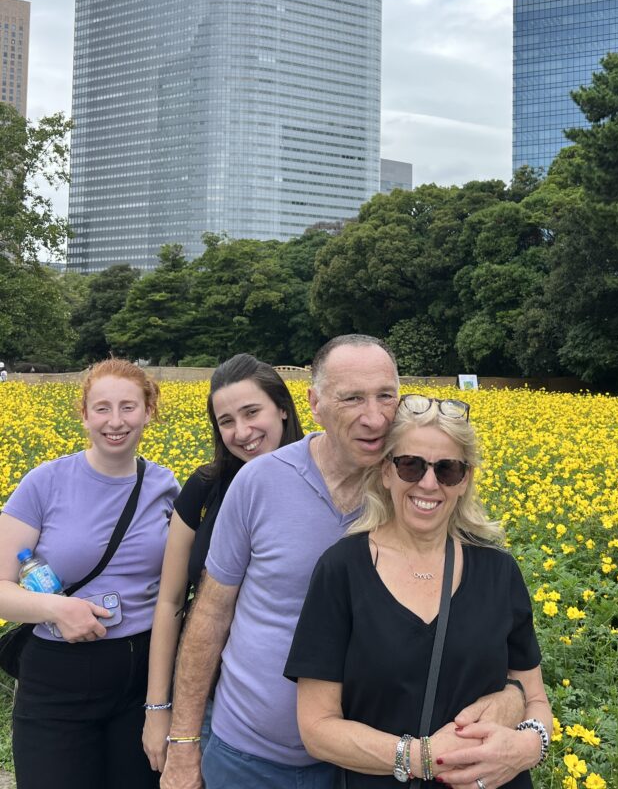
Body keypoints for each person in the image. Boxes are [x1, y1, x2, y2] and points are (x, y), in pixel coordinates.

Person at [161, 335, 526, 789]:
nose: (373, 417)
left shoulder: (416, 486)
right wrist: (182, 741)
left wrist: (515, 701)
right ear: (314, 403)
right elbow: (210, 615)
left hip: (366, 766)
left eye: (386, 396)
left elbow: (482, 627)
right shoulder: (259, 482)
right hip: (251, 758)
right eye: (351, 398)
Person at [285, 395, 553, 789]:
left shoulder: (499, 572)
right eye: (410, 465)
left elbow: (535, 699)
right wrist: (423, 758)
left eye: (447, 469)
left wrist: (529, 748)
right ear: (386, 472)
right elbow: (317, 728)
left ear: (464, 481)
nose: (429, 483)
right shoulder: (342, 570)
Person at [0, 358, 179, 789]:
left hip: (141, 680)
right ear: (83, 415)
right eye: (102, 408)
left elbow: (175, 590)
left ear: (149, 412)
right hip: (58, 678)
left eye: (128, 407)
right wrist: (55, 609)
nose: (115, 421)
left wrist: (159, 707)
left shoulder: (166, 487)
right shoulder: (44, 482)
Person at [143, 354, 304, 772]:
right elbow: (170, 601)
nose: (242, 432)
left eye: (252, 412)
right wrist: (160, 708)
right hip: (215, 705)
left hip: (310, 710)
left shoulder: (328, 480)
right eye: (226, 421)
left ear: (283, 408)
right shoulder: (204, 486)